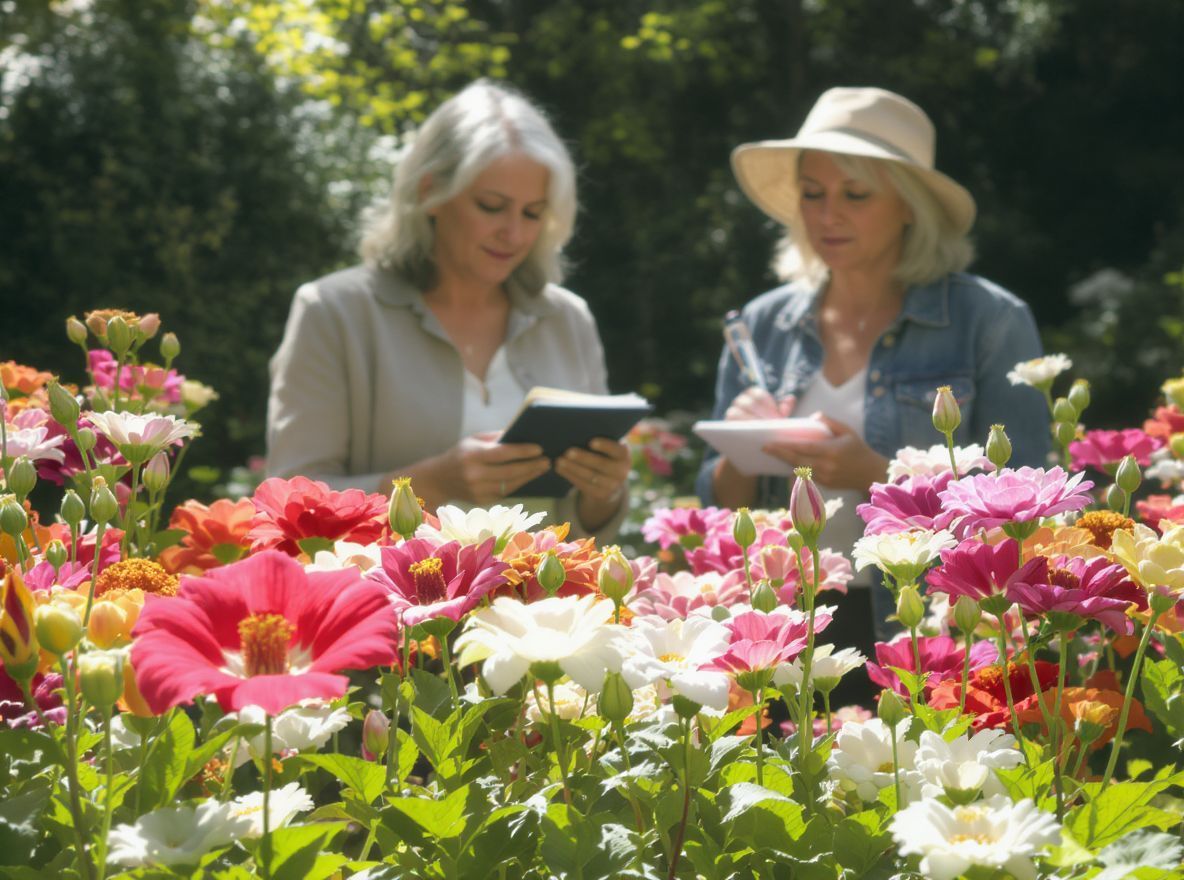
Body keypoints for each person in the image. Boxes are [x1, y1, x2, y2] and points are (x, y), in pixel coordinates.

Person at [696, 87, 1050, 678]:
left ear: (910, 205)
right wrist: (741, 448)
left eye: (855, 194)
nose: (827, 214)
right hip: (785, 624)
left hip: (930, 626)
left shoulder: (989, 320)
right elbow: (717, 512)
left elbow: (1027, 514)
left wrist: (875, 476)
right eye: (812, 193)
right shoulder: (760, 323)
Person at [267, 80, 630, 538]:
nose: (514, 234)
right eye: (492, 206)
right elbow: (287, 505)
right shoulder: (334, 312)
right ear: (430, 193)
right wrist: (430, 485)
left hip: (540, 604)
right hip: (388, 603)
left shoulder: (567, 320)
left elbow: (592, 534)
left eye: (533, 213)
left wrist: (605, 492)